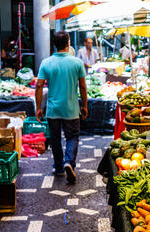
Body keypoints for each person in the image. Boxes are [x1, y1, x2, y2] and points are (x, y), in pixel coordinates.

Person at [35, 31, 88, 184]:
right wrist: (84, 105)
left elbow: (39, 85)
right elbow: (83, 87)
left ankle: (59, 167)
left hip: (53, 110)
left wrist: (38, 107)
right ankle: (68, 162)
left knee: (55, 139)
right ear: (68, 43)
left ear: (54, 45)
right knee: (72, 137)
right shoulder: (77, 62)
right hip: (71, 109)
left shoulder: (46, 62)